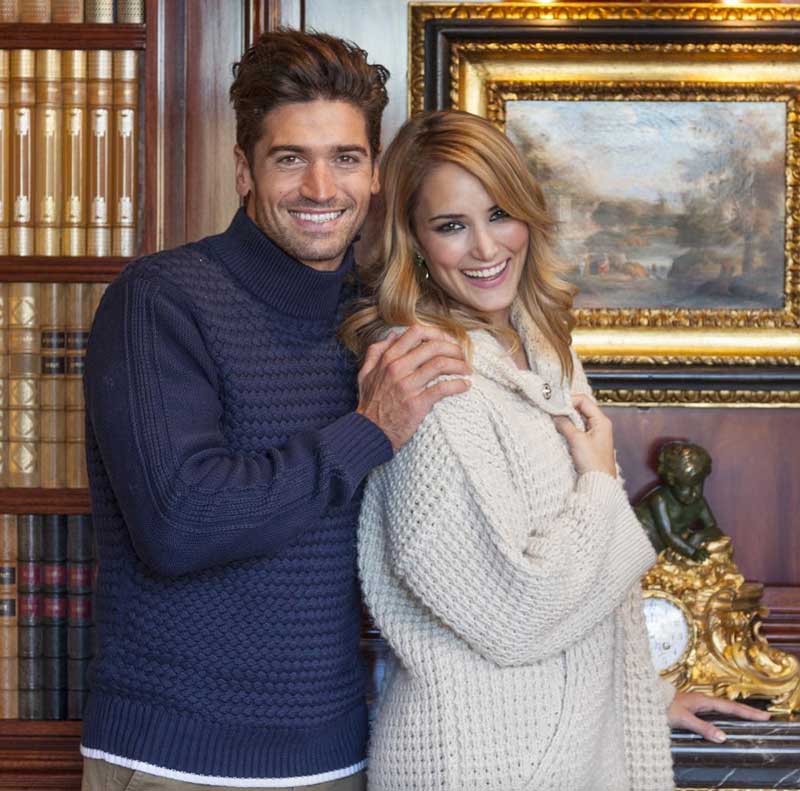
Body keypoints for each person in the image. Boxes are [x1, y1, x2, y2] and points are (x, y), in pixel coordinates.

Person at [80, 32, 470, 791]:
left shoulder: (380, 319)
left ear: (374, 174)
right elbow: (180, 521)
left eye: (346, 158)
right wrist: (369, 431)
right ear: (244, 171)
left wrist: (635, 685)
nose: (321, 188)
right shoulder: (161, 300)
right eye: (291, 158)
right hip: (175, 757)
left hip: (341, 754)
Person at [342, 110, 769, 791]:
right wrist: (599, 481)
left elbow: (592, 586)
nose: (486, 247)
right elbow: (515, 614)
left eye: (499, 214)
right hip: (480, 764)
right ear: (414, 241)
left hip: (564, 749)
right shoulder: (429, 380)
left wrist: (645, 693)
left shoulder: (544, 349)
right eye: (451, 225)